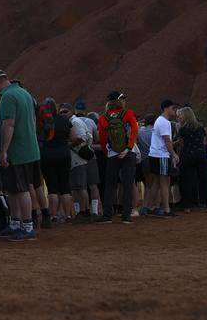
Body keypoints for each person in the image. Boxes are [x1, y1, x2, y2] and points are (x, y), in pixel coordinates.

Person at [0, 69, 40, 241]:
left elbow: (9, 124)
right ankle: (15, 224)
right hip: (28, 149)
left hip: (17, 151)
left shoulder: (8, 97)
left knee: (21, 189)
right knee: (13, 189)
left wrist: (4, 151)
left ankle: (27, 226)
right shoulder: (24, 93)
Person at [95, 91, 139, 225]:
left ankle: (107, 215)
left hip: (112, 154)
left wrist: (106, 151)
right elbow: (135, 130)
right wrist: (128, 148)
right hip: (128, 152)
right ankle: (126, 215)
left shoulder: (103, 118)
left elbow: (102, 138)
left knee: (110, 185)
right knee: (127, 184)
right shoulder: (128, 114)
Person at [38, 98, 72, 227]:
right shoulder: (64, 120)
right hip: (64, 153)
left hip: (48, 154)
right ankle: (68, 215)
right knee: (65, 185)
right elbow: (73, 136)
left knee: (52, 186)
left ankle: (52, 216)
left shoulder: (42, 122)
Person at [176, 106, 207, 212]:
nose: (179, 118)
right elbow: (204, 142)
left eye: (180, 116)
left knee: (186, 181)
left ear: (185, 116)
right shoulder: (200, 128)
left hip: (187, 155)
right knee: (205, 180)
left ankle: (187, 206)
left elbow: (181, 144)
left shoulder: (183, 129)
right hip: (201, 155)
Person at [144, 100, 179, 218]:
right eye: (173, 108)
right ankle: (166, 209)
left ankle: (150, 207)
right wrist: (173, 154)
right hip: (161, 155)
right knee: (165, 183)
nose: (174, 110)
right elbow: (167, 140)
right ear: (166, 109)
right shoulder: (164, 122)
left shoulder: (159, 120)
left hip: (154, 154)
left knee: (157, 183)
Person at [67, 105, 98, 222]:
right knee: (88, 185)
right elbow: (93, 137)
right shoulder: (88, 120)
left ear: (73, 111)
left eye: (65, 111)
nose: (63, 114)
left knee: (80, 186)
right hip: (87, 155)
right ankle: (90, 211)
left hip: (79, 158)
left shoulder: (74, 122)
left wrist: (69, 145)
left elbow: (83, 138)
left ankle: (84, 211)